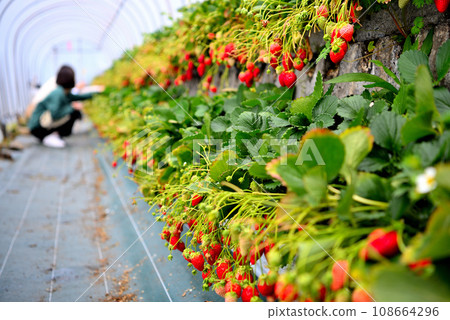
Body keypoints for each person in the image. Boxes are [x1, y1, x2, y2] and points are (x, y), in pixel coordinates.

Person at [28, 66, 102, 148]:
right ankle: (51, 135)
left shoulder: (64, 91)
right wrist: (71, 107)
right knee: (74, 113)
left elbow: (78, 97)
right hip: (38, 128)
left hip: (40, 126)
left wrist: (97, 92)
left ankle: (53, 135)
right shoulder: (58, 93)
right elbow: (54, 114)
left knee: (74, 112)